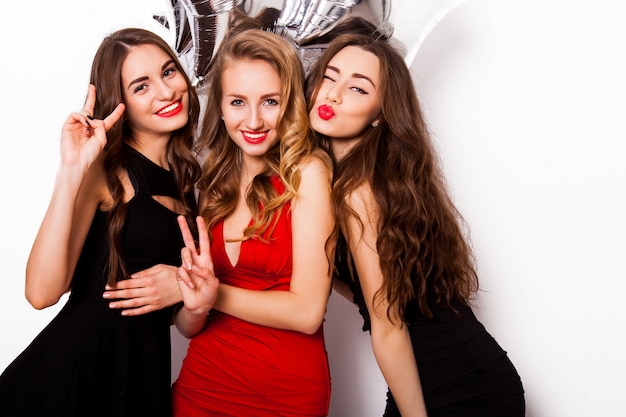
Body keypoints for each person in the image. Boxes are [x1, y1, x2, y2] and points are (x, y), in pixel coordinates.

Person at [305, 18, 526, 417]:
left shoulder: (359, 191)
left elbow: (387, 323)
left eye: (357, 88)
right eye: (329, 77)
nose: (334, 95)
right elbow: (372, 293)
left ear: (379, 114)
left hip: (461, 384)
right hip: (445, 372)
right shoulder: (350, 181)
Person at [0, 28, 203, 417]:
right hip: (77, 378)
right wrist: (71, 171)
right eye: (141, 86)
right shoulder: (105, 171)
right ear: (120, 101)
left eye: (169, 72)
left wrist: (187, 291)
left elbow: (182, 320)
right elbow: (41, 293)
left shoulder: (188, 180)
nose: (166, 92)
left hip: (141, 380)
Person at [169, 27, 335, 416]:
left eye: (271, 101)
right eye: (239, 101)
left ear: (290, 103)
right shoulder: (212, 185)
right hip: (202, 382)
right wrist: (193, 306)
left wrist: (216, 295)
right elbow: (188, 324)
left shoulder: (307, 173)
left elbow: (307, 313)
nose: (255, 120)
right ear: (222, 107)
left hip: (285, 392)